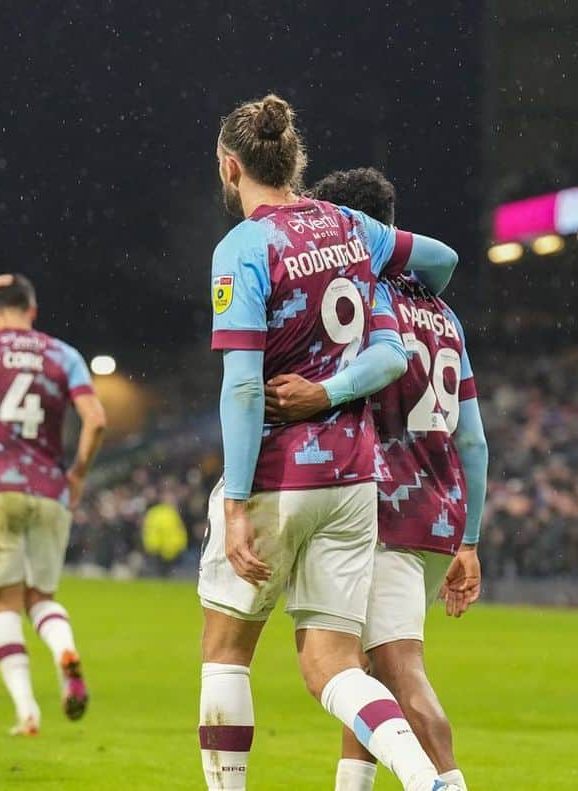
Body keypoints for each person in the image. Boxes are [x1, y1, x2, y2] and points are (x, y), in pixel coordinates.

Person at [199, 95, 464, 791]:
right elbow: (438, 260)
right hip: (352, 480)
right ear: (295, 160)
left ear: (232, 167)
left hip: (277, 471)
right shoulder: (354, 227)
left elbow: (243, 387)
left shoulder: (244, 247)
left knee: (226, 654)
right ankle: (426, 777)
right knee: (334, 664)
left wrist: (233, 499)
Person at [264, 168, 488, 791]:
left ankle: (445, 782)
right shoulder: (444, 315)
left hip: (387, 501)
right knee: (363, 671)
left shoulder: (371, 301)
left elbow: (371, 372)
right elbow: (473, 438)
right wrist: (469, 538)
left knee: (393, 668)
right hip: (439, 511)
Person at [0, 274, 107, 736]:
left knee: (4, 602)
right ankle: (64, 651)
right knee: (41, 599)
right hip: (49, 491)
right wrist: (78, 474)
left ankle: (27, 711)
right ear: (33, 310)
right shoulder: (63, 354)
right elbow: (97, 420)